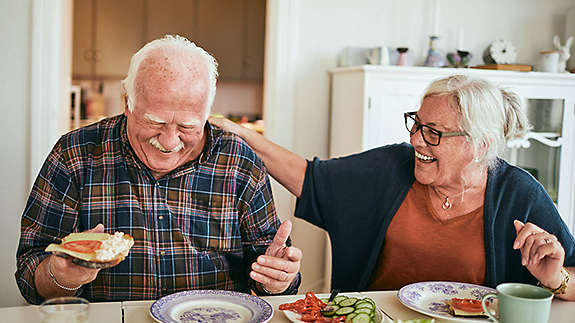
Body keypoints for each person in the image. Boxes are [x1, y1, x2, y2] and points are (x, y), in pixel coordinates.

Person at [210, 74, 575, 300]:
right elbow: (309, 177)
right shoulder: (391, 167)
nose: (416, 139)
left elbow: (570, 278)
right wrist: (242, 134)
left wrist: (554, 278)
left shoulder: (519, 193)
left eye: (434, 133)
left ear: (479, 144)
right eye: (416, 124)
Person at [16, 35, 301, 304]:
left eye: (187, 127)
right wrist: (60, 276)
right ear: (127, 103)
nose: (168, 141)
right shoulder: (74, 155)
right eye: (154, 122)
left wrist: (278, 280)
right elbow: (30, 277)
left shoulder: (239, 161)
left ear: (207, 114)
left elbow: (273, 276)